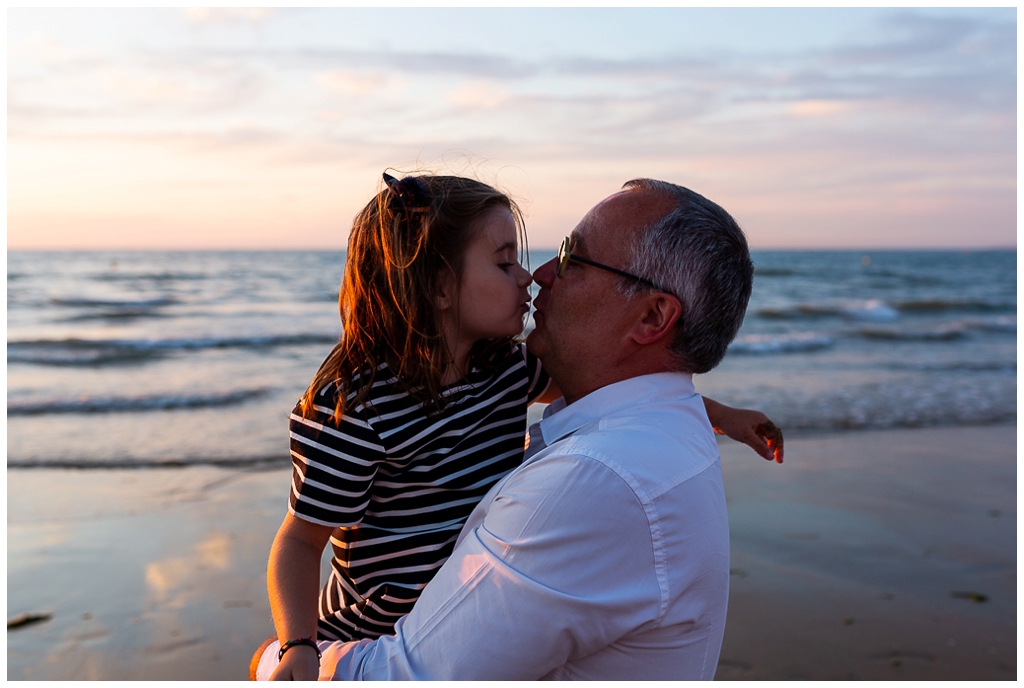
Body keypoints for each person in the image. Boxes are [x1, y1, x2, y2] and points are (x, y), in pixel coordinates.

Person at [258, 173, 780, 681]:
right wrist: (296, 646)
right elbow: (301, 542)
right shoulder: (357, 407)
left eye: (573, 258)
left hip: (447, 618)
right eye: (505, 263)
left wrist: (722, 416)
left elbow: (634, 391)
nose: (535, 275)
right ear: (441, 287)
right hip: (366, 627)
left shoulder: (506, 374)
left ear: (652, 317)